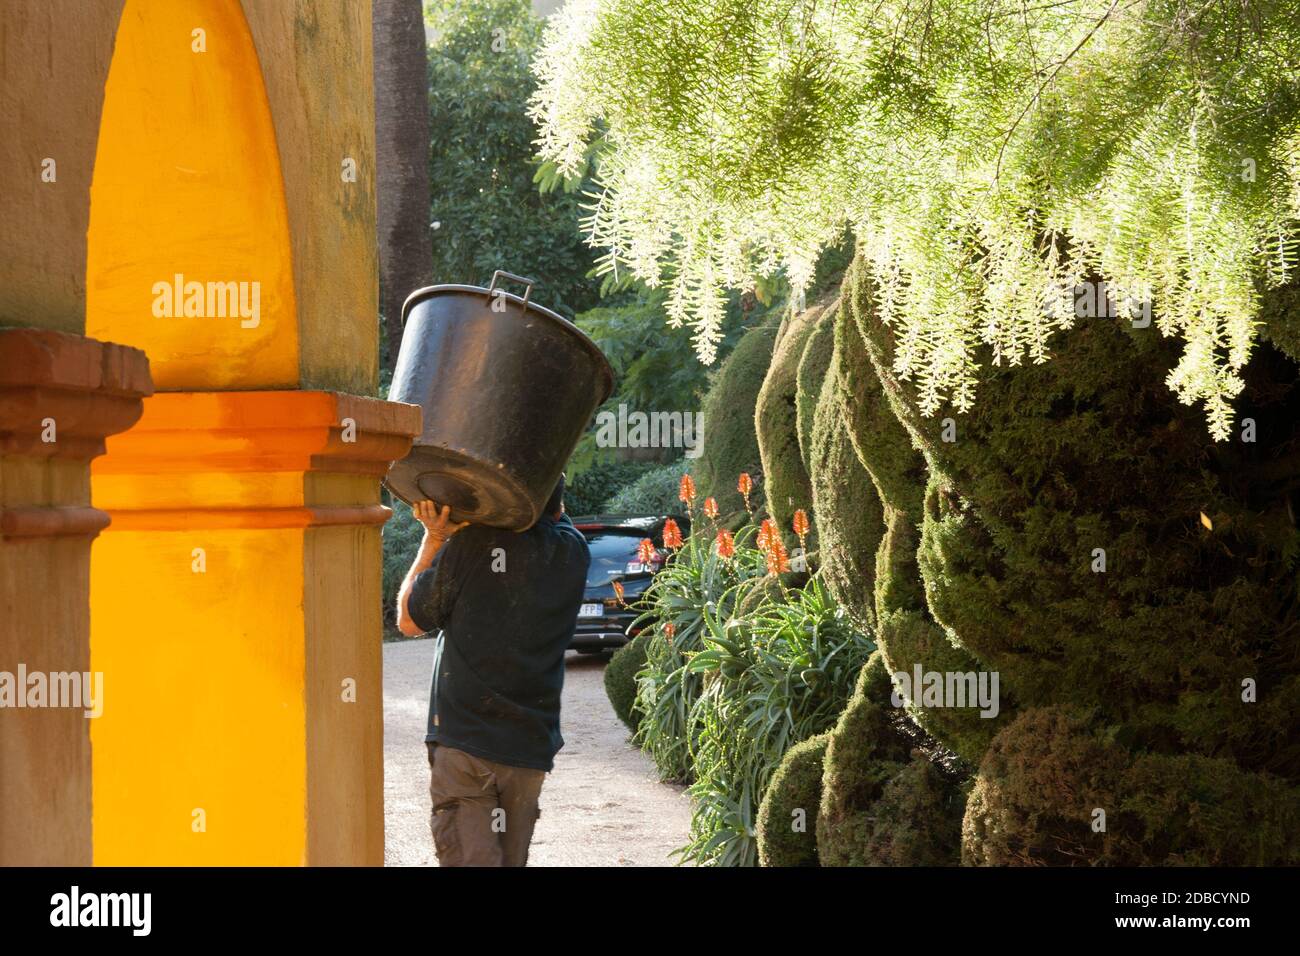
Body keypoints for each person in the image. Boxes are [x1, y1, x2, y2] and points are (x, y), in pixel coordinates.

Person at [395, 475, 590, 866]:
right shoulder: (573, 553)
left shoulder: (472, 546)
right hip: (528, 748)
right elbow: (552, 512)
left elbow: (408, 621)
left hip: (465, 745)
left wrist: (434, 538)